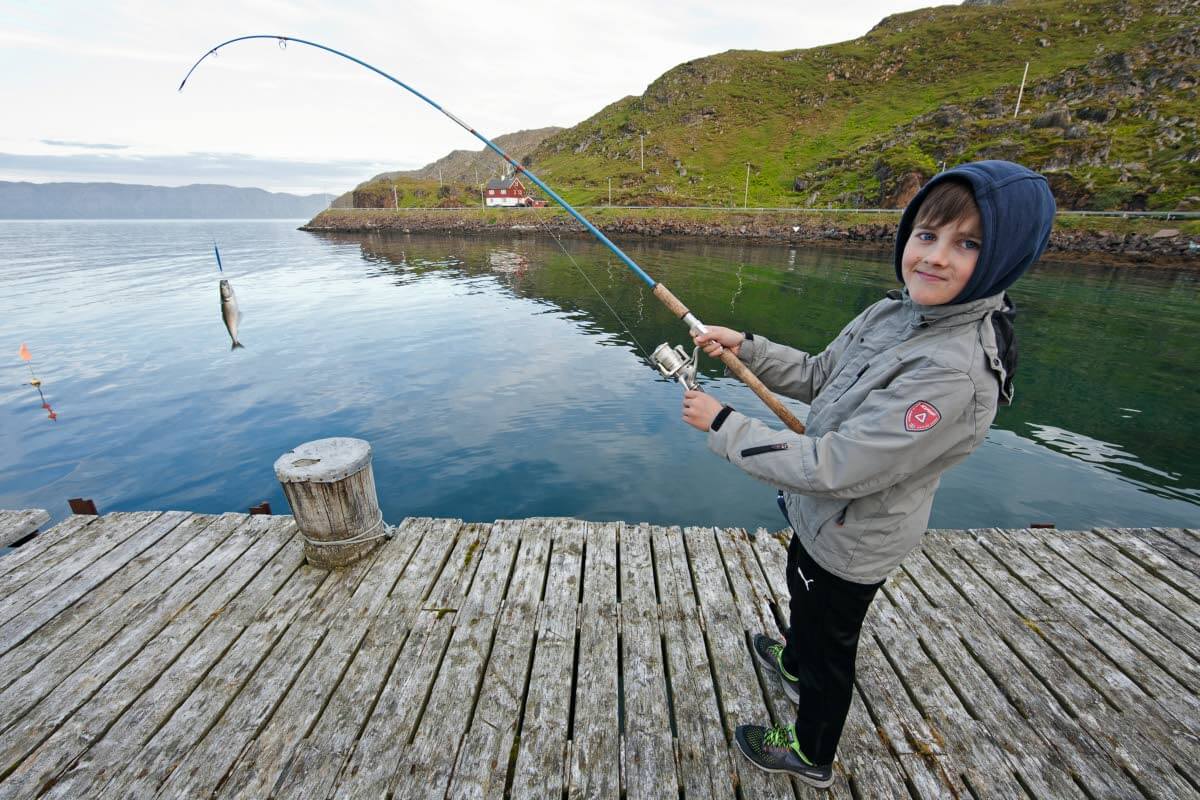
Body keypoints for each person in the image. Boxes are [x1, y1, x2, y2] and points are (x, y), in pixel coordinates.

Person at [680, 160, 1055, 788]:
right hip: (820, 514)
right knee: (803, 595)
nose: (935, 258)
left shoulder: (954, 372)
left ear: (1006, 259)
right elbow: (821, 373)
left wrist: (725, 426)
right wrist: (746, 348)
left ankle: (810, 749)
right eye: (927, 235)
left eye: (968, 245)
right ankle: (792, 661)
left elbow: (838, 467)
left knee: (831, 647)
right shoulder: (894, 313)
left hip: (856, 534)